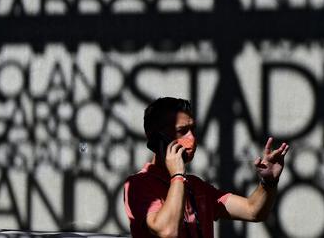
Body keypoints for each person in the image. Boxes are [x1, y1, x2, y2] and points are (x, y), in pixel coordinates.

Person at [123, 97, 290, 238]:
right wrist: (177, 175)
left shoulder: (195, 185)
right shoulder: (139, 184)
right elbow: (168, 231)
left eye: (193, 130)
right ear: (156, 138)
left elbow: (253, 211)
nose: (192, 139)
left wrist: (268, 182)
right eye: (182, 131)